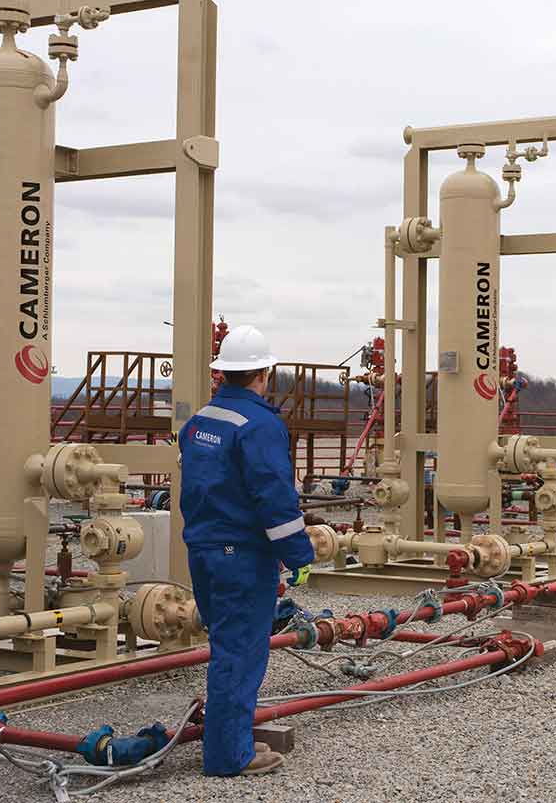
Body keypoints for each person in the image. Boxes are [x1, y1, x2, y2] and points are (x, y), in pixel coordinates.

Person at [178, 325, 315, 777]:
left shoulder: (200, 423)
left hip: (203, 550)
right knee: (240, 653)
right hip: (242, 556)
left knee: (225, 646)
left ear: (223, 372)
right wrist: (299, 555)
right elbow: (274, 497)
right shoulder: (259, 425)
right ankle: (229, 756)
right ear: (263, 374)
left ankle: (229, 738)